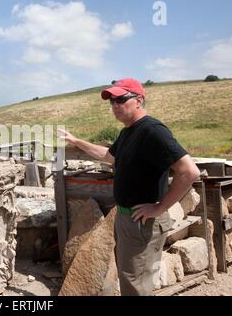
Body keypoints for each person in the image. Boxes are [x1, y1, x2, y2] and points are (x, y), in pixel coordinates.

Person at [58, 78, 200, 296]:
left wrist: (159, 207)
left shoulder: (153, 131)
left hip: (143, 221)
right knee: (130, 278)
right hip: (127, 218)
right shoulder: (128, 132)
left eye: (121, 99)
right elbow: (108, 156)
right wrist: (76, 141)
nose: (115, 105)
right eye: (112, 101)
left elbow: (189, 172)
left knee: (136, 285)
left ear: (139, 100)